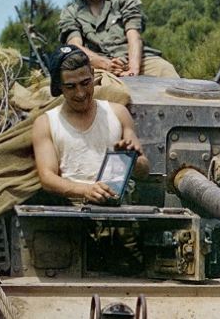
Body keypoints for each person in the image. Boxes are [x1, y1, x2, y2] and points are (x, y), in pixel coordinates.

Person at [32, 48, 149, 203]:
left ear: (93, 74)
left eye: (85, 83)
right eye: (71, 86)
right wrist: (85, 190)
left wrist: (132, 159)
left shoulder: (118, 113)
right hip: (71, 209)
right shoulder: (46, 123)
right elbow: (47, 178)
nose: (80, 93)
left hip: (119, 206)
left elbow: (144, 170)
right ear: (59, 86)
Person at [58, 0, 179, 79]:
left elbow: (134, 35)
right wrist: (105, 64)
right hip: (97, 65)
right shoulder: (70, 13)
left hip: (135, 58)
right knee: (95, 85)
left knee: (165, 70)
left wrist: (133, 69)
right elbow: (75, 47)